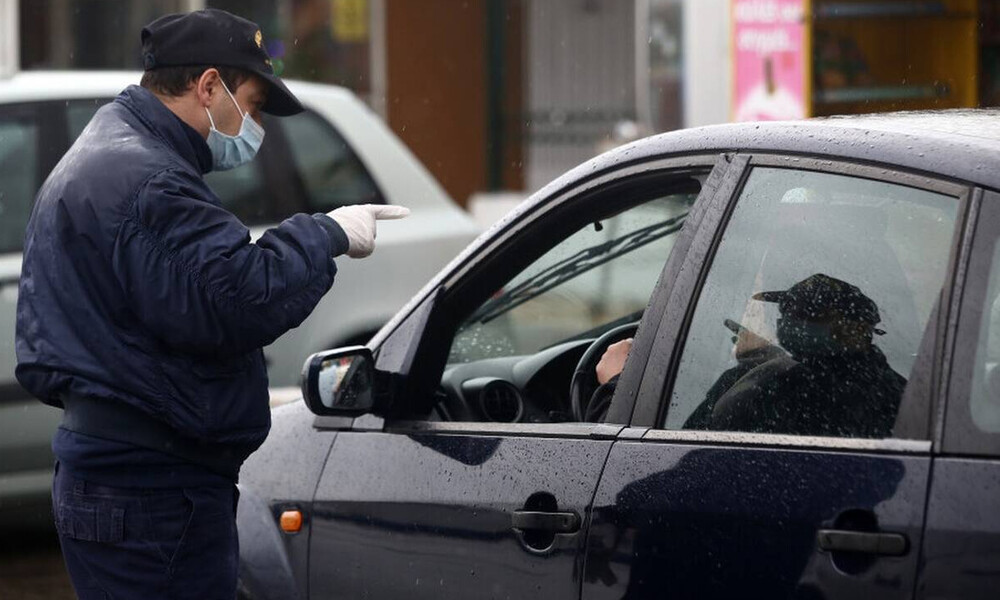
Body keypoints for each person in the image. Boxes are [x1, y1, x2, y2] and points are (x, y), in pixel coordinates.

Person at [14, 9, 407, 598]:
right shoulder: (148, 179)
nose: (254, 125)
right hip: (153, 490)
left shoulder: (108, 148)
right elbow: (240, 297)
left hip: (117, 471)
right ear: (207, 87)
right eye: (249, 105)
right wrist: (325, 233)